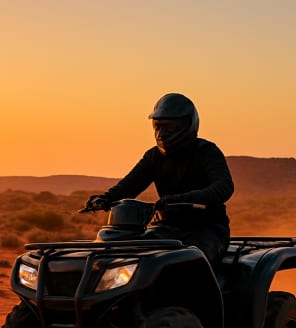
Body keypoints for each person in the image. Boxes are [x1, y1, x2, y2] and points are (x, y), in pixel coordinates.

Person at [86, 93, 234, 264]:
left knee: (192, 262)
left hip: (207, 229)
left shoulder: (206, 151)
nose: (162, 133)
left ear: (187, 124)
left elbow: (224, 186)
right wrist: (106, 198)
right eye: (158, 126)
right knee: (130, 256)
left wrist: (182, 199)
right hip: (165, 228)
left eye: (169, 127)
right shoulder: (154, 156)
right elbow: (130, 185)